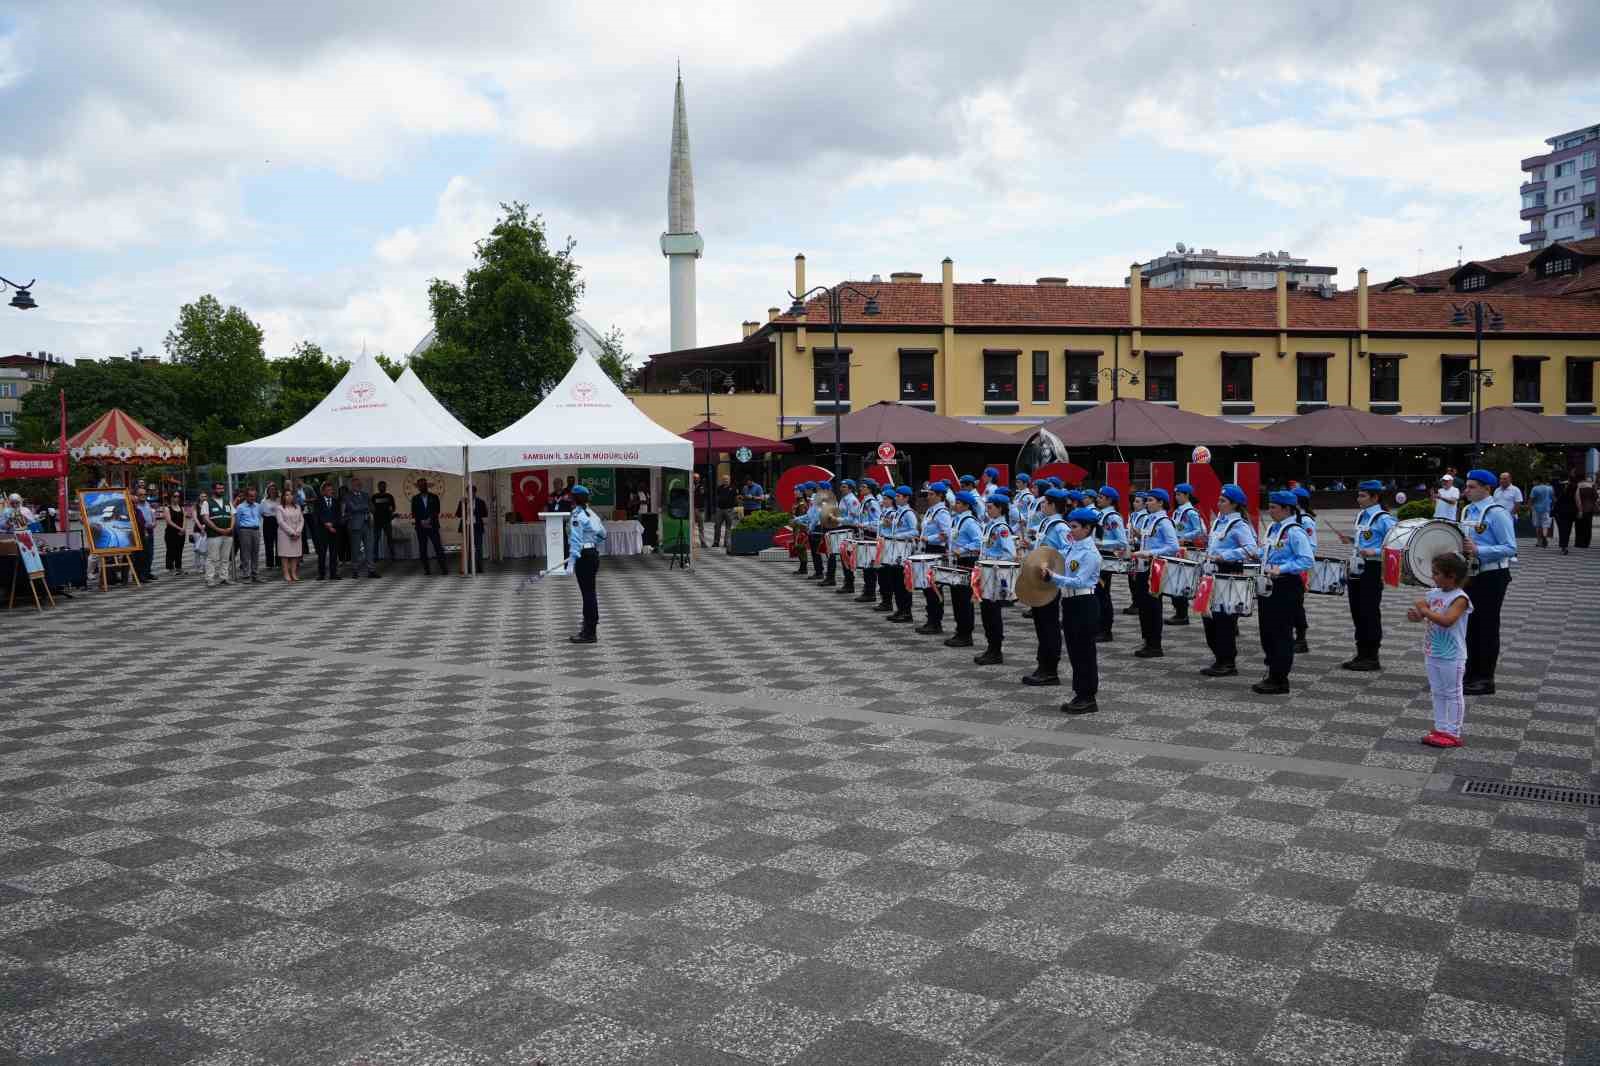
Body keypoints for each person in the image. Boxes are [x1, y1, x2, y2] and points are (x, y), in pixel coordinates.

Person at [1406, 551, 1472, 748]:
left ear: (1451, 576)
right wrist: (1416, 615)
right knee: (1437, 691)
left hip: (1452, 655)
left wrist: (1425, 611)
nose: (1432, 577)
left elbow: (1447, 621)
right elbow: (1422, 614)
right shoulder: (1434, 593)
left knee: (1453, 692)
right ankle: (1441, 727)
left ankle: (1453, 732)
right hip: (1433, 651)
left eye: (1436, 573)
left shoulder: (1460, 598)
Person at [1459, 468, 1515, 696]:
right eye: (1467, 486)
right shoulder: (1467, 510)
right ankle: (1470, 673)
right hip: (1470, 575)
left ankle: (1485, 678)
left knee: (1487, 627)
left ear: (1486, 488)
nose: (1467, 490)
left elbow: (1510, 547)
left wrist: (1479, 549)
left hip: (1492, 575)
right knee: (1470, 627)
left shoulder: (1496, 513)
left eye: (1472, 487)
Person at [1043, 506, 1104, 715]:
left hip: (1084, 603)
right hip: (1070, 603)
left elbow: (1080, 581)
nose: (1071, 529)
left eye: (1075, 526)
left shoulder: (1090, 553)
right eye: (1071, 525)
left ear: (1087, 528)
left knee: (1085, 652)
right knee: (1075, 652)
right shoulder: (1073, 546)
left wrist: (1054, 577)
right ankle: (1080, 693)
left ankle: (1088, 697)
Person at [1253, 490, 1314, 694]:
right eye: (1269, 506)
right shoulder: (1272, 528)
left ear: (1287, 509)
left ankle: (1280, 679)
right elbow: (1268, 551)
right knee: (1267, 631)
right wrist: (1257, 553)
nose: (1269, 511)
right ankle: (1272, 672)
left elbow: (1306, 559)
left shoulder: (1296, 531)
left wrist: (1282, 568)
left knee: (1281, 633)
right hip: (1268, 584)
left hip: (1286, 585)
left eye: (1273, 507)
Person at [1200, 484, 1258, 678]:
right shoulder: (1219, 522)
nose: (1218, 503)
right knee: (1208, 618)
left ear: (1234, 504)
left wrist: (1226, 555)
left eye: (1223, 501)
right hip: (1211, 573)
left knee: (1224, 620)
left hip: (1229, 572)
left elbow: (1252, 550)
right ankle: (1219, 658)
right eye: (1219, 500)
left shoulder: (1239, 525)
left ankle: (1228, 662)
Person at [1342, 480, 1396, 672]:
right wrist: (1350, 540)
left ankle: (1372, 656)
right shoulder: (1362, 516)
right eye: (1359, 495)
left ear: (1375, 497)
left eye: (1363, 495)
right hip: (1356, 567)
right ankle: (1361, 653)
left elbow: (1396, 545)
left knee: (1369, 612)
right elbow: (1363, 541)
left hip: (1371, 570)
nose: (1359, 499)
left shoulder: (1384, 519)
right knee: (1357, 612)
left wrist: (1373, 552)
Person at [1023, 488, 1072, 685]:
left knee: (1048, 624)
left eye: (1044, 503)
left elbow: (1068, 551)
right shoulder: (1046, 522)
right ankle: (1042, 664)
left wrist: (1049, 561)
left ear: (1052, 505)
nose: (1041, 505)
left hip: (1050, 578)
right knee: (1040, 623)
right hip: (1040, 577)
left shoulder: (1060, 526)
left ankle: (1050, 669)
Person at [1131, 488, 1179, 658]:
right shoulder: (1149, 519)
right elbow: (1148, 541)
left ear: (1161, 502)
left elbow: (1173, 547)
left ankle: (1155, 644)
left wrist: (1150, 553)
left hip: (1155, 566)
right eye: (1147, 500)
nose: (1147, 503)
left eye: (1151, 500)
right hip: (1144, 566)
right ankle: (1148, 640)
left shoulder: (1164, 521)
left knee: (1152, 606)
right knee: (1144, 606)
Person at [973, 491, 1015, 665]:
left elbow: (1010, 554)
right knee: (986, 612)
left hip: (995, 574)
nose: (987, 510)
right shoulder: (990, 525)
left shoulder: (1001, 529)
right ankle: (991, 647)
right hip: (986, 572)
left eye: (990, 507)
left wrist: (992, 561)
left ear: (1000, 509)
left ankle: (995, 650)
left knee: (992, 612)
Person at [944, 490, 984, 648]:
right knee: (956, 598)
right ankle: (960, 630)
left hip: (966, 561)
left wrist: (963, 549)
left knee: (963, 599)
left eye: (959, 503)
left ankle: (966, 634)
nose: (955, 505)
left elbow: (979, 541)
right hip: (958, 561)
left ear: (966, 505)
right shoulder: (958, 519)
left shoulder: (969, 521)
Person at [567, 485, 607, 643]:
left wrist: (571, 561)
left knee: (588, 594)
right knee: (590, 593)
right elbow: (603, 534)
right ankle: (589, 627)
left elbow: (576, 541)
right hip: (592, 555)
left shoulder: (577, 516)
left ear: (574, 499)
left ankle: (589, 633)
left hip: (584, 557)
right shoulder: (591, 513)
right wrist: (592, 544)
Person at [916, 482, 953, 634]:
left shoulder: (942, 512)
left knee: (934, 588)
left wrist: (928, 539)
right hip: (928, 550)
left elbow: (945, 535)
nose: (928, 497)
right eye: (928, 494)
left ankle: (936, 622)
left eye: (931, 494)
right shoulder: (932, 510)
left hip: (936, 551)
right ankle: (931, 619)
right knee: (927, 587)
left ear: (940, 496)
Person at [1166, 483, 1205, 626]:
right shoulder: (1178, 511)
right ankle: (1179, 612)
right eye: (1175, 495)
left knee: (1181, 581)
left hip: (1186, 548)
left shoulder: (1190, 512)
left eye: (1179, 495)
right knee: (1175, 580)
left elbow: (1200, 530)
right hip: (1177, 547)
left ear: (1187, 495)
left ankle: (1182, 614)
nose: (1176, 498)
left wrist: (1184, 538)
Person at [1093, 486, 1124, 642]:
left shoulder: (1112, 517)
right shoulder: (1100, 514)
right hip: (1097, 559)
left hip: (1105, 560)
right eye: (1098, 496)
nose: (1098, 499)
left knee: (1102, 595)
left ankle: (1106, 630)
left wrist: (1101, 543)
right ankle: (1099, 626)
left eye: (1101, 497)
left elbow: (1121, 542)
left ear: (1110, 500)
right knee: (1097, 594)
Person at [1291, 485, 1317, 653]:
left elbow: (1312, 546)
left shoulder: (1305, 520)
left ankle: (1301, 639)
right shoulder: (1292, 518)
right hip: (1287, 568)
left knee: (1296, 604)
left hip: (1299, 569)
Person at [886, 485, 918, 623]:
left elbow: (915, 531)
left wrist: (898, 535)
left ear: (906, 498)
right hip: (895, 549)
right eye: (896, 496)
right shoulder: (898, 512)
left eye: (899, 496)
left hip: (903, 550)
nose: (896, 498)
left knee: (902, 583)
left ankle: (906, 612)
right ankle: (900, 609)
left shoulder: (909, 513)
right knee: (895, 582)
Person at [199, 481, 235, 588]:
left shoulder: (227, 501)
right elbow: (205, 518)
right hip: (214, 534)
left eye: (222, 488)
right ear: (213, 490)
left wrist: (231, 527)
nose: (221, 490)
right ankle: (210, 579)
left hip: (228, 534)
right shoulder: (207, 503)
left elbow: (233, 515)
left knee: (225, 557)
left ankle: (224, 577)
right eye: (219, 488)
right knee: (212, 558)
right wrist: (218, 529)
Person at [853, 478, 882, 604]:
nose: (860, 488)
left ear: (869, 489)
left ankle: (870, 592)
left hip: (870, 536)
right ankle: (868, 590)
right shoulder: (865, 501)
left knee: (869, 566)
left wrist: (864, 525)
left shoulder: (871, 503)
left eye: (863, 487)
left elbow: (877, 522)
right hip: (864, 535)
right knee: (866, 565)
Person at [412, 478, 448, 575]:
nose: (422, 487)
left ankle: (444, 569)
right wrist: (421, 521)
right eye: (420, 485)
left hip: (433, 526)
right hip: (421, 527)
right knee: (423, 549)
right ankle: (427, 570)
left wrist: (429, 519)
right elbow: (414, 513)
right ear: (418, 487)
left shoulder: (434, 497)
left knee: (438, 547)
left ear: (427, 485)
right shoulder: (415, 498)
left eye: (424, 485)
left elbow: (437, 510)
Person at [831, 479, 861, 593]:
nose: (841, 488)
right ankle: (847, 582)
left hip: (849, 529)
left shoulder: (852, 500)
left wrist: (837, 519)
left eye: (844, 486)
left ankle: (850, 584)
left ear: (850, 488)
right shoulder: (844, 499)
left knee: (847, 556)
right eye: (841, 486)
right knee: (844, 557)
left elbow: (853, 519)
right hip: (843, 528)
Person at [344, 477, 378, 579]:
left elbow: (372, 508)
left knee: (369, 548)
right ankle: (355, 570)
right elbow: (352, 508)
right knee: (355, 549)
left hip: (367, 524)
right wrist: (364, 506)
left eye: (359, 484)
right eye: (356, 484)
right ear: (351, 486)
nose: (358, 486)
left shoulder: (366, 495)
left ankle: (371, 570)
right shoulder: (347, 496)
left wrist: (361, 507)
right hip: (355, 526)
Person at [455, 484, 488, 575]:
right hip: (466, 528)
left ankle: (479, 567)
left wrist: (473, 511)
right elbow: (458, 514)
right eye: (468, 492)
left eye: (472, 492)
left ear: (475, 492)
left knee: (478, 548)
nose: (470, 494)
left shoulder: (480, 502)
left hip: (477, 528)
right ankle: (467, 568)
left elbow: (485, 513)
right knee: (467, 549)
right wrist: (464, 506)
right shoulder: (463, 502)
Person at [313, 481, 343, 581]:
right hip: (322, 531)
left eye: (331, 490)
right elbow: (317, 516)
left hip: (334, 530)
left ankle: (333, 573)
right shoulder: (318, 501)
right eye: (328, 490)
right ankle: (321, 574)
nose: (331, 491)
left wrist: (333, 524)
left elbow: (339, 515)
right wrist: (326, 524)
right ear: (323, 491)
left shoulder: (336, 501)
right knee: (322, 553)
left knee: (334, 553)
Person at [234, 486, 263, 583]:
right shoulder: (240, 507)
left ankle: (255, 574)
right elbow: (237, 522)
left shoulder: (258, 506)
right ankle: (246, 575)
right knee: (245, 553)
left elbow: (259, 518)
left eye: (254, 496)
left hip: (256, 530)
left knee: (255, 553)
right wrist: (241, 532)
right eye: (250, 496)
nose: (253, 498)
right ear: (246, 496)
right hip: (245, 530)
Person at [277, 487, 305, 582]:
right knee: (285, 555)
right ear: (283, 497)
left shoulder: (297, 506)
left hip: (297, 534)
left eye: (291, 495)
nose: (289, 497)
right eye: (287, 495)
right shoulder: (279, 508)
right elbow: (281, 522)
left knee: (295, 555)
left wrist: (298, 531)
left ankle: (293, 573)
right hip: (285, 534)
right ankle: (286, 573)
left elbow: (301, 520)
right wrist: (292, 532)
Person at [132, 486, 158, 583]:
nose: (143, 496)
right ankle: (140, 575)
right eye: (141, 495)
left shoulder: (148, 504)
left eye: (145, 494)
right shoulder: (135, 506)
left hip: (150, 531)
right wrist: (146, 526)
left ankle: (147, 572)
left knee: (150, 554)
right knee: (141, 555)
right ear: (137, 496)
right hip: (141, 533)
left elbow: (152, 515)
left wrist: (154, 523)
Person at [371, 480, 396, 561]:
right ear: (378, 487)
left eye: (384, 486)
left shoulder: (389, 496)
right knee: (375, 540)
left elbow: (393, 507)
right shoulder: (374, 496)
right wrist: (373, 511)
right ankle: (375, 557)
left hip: (387, 521)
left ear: (386, 487)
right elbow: (371, 507)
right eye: (381, 486)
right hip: (377, 521)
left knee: (390, 539)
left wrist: (391, 511)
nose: (382, 487)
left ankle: (393, 556)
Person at [163, 491, 187, 574]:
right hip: (171, 532)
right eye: (174, 496)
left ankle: (179, 567)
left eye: (178, 496)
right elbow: (169, 521)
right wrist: (179, 528)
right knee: (171, 550)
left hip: (181, 532)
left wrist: (183, 528)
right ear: (171, 497)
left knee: (179, 550)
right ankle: (170, 568)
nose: (176, 498)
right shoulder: (167, 508)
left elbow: (184, 519)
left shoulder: (182, 508)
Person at [1528, 474, 1554, 549]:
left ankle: (1539, 541)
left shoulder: (1535, 489)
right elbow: (1553, 498)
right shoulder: (1549, 488)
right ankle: (1545, 536)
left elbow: (1531, 499)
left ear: (1537, 481)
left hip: (1536, 509)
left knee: (1538, 525)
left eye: (1534, 481)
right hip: (1547, 509)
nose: (1533, 483)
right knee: (1545, 525)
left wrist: (1529, 507)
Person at [260, 483, 280, 570]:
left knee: (279, 543)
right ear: (267, 491)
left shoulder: (279, 500)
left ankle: (279, 562)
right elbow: (261, 513)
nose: (272, 491)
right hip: (268, 521)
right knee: (269, 543)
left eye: (274, 489)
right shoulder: (264, 501)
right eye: (270, 489)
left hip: (278, 521)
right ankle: (270, 564)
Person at [713, 476, 737, 547]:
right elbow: (717, 497)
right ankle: (716, 542)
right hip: (720, 509)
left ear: (729, 480)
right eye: (724, 479)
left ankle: (726, 543)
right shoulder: (719, 488)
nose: (725, 480)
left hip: (729, 510)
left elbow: (736, 498)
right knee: (717, 526)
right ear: (722, 480)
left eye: (727, 479)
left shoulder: (733, 488)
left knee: (728, 527)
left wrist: (734, 508)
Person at [1578, 473, 1597, 549]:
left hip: (1581, 508)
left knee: (1581, 526)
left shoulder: (1580, 488)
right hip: (1590, 509)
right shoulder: (1592, 488)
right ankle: (1587, 542)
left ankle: (1581, 542)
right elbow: (1596, 497)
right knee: (1588, 526)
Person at [692, 472, 707, 548]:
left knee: (701, 527)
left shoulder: (702, 486)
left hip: (700, 508)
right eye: (694, 478)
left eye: (697, 478)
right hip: (692, 509)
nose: (696, 479)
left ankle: (703, 542)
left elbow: (704, 495)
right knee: (692, 526)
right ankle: (692, 543)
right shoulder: (690, 486)